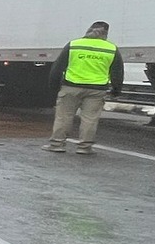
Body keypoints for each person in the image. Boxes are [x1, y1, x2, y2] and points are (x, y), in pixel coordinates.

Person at [45, 21, 123, 154]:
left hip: (71, 87)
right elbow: (117, 73)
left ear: (88, 31)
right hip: (97, 90)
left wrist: (54, 86)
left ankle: (57, 144)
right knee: (90, 119)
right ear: (105, 34)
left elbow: (57, 68)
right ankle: (84, 147)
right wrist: (116, 90)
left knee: (64, 116)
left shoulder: (73, 45)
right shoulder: (112, 49)